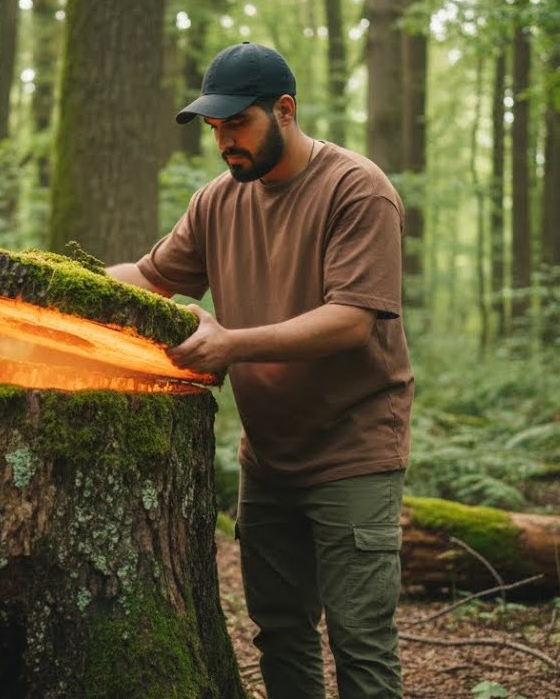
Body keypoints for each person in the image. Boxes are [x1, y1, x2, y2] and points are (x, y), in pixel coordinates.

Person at [107, 42, 413, 698]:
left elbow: (353, 318)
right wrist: (51, 284)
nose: (224, 143)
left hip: (354, 455)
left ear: (285, 109)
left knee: (360, 642)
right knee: (281, 634)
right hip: (269, 462)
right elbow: (151, 278)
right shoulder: (217, 202)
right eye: (215, 130)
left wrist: (231, 343)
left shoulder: (357, 190)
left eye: (237, 124)